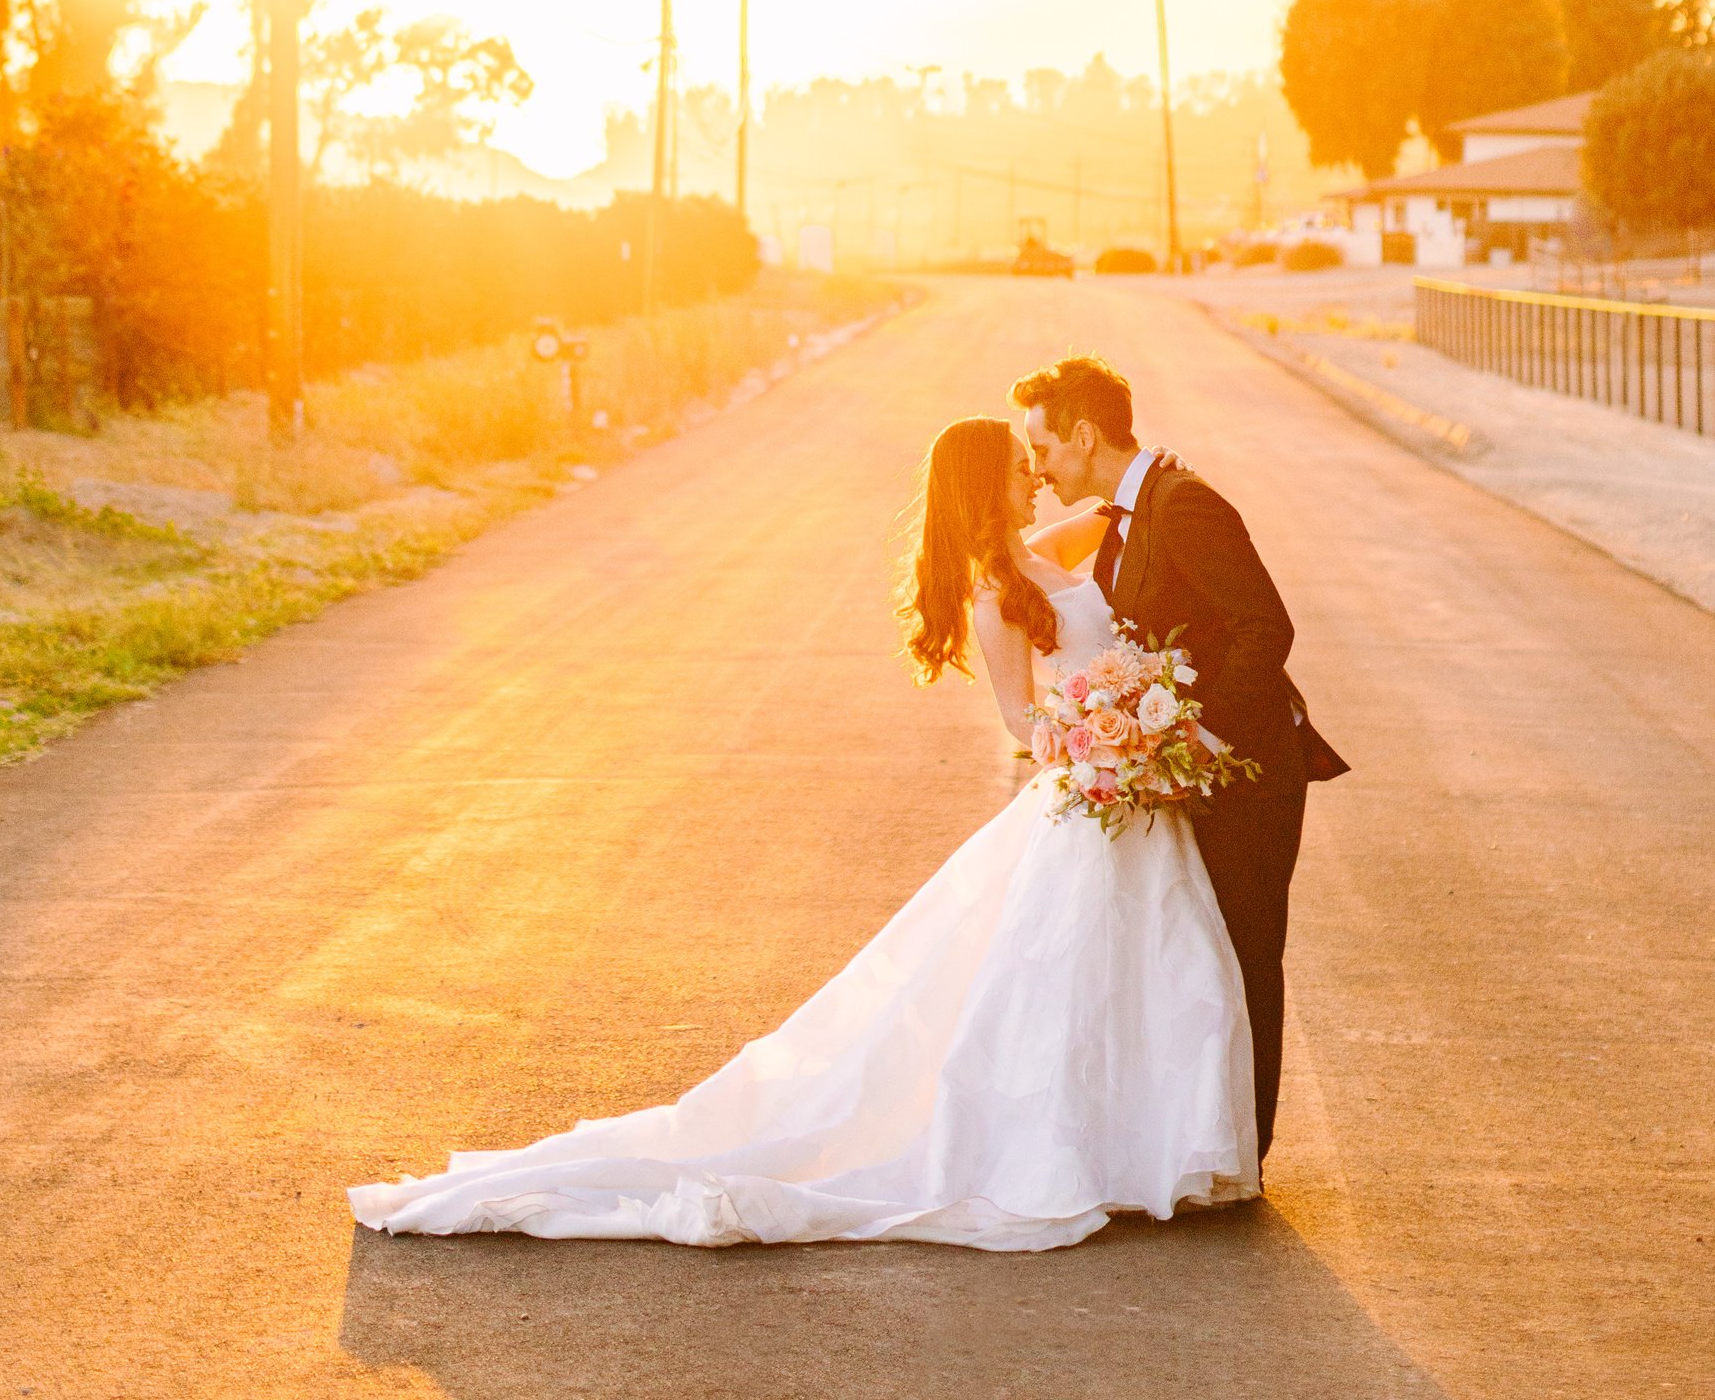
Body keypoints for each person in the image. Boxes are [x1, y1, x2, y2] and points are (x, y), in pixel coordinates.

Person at [348, 414, 1260, 1251]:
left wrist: (1147, 494)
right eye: (1022, 471)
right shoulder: (995, 591)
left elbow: (1116, 516)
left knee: (1160, 974)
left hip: (1130, 800)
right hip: (1093, 792)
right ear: (989, 488)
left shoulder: (1047, 549)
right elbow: (1023, 726)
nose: (1036, 482)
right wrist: (1115, 736)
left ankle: (1149, 1156)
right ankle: (1077, 1159)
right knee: (1069, 988)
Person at [1015, 352, 1345, 1165]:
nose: (1041, 469)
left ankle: (1247, 1153)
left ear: (1086, 435)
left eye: (1046, 450)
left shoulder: (1185, 503)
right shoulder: (1133, 508)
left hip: (1249, 769)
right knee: (1204, 954)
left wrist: (1198, 735)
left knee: (1245, 950)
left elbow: (1265, 629)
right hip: (1190, 774)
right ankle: (1208, 1137)